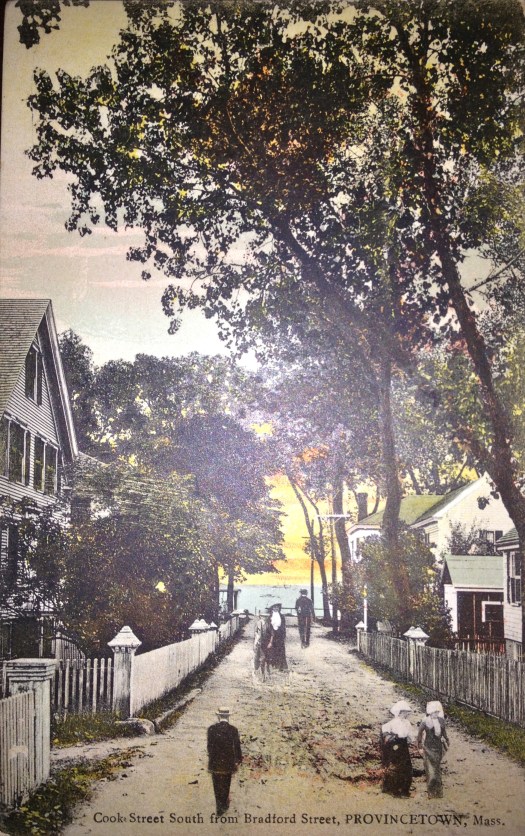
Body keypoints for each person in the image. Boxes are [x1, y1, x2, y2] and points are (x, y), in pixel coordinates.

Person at [207, 707, 243, 816]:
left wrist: (212, 758)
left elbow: (209, 747)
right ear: (228, 717)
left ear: (218, 716)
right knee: (226, 784)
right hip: (228, 763)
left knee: (216, 784)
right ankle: (224, 804)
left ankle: (219, 806)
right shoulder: (233, 730)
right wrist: (238, 759)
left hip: (215, 763)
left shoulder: (211, 729)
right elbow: (237, 747)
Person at [380, 699, 414, 798]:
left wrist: (410, 739)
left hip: (404, 745)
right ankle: (393, 789)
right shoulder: (393, 722)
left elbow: (410, 735)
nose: (406, 714)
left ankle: (404, 790)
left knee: (406, 767)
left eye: (406, 712)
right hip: (395, 745)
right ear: (400, 712)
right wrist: (391, 738)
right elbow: (385, 730)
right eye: (404, 712)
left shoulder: (407, 723)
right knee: (396, 766)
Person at [417, 700, 449, 799]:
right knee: (430, 770)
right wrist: (420, 747)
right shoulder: (425, 721)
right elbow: (419, 735)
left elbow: (444, 733)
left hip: (438, 747)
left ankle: (438, 792)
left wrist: (446, 740)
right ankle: (431, 792)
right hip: (428, 747)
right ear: (430, 712)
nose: (436, 714)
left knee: (437, 769)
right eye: (434, 712)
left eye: (437, 712)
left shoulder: (441, 720)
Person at [264, 602, 288, 671]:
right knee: (272, 649)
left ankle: (280, 666)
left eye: (277, 607)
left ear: (279, 608)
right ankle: (273, 664)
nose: (276, 608)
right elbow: (267, 627)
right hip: (272, 635)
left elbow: (283, 626)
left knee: (280, 650)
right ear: (272, 608)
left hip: (279, 634)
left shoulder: (282, 616)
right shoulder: (269, 617)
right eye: (274, 607)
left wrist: (283, 635)